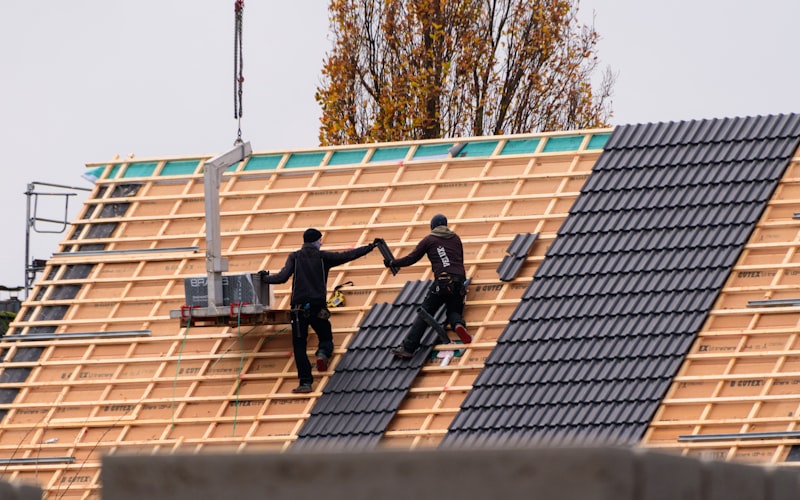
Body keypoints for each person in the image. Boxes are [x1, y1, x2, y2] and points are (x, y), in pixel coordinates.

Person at [259, 228, 378, 393]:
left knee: (299, 345)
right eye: (320, 240)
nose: (321, 243)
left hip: (298, 310)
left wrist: (264, 278)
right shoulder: (323, 257)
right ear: (315, 241)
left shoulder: (295, 257)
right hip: (318, 307)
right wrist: (370, 247)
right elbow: (347, 255)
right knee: (325, 334)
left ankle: (305, 383)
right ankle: (322, 353)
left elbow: (281, 278)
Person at [385, 214, 472, 358]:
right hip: (459, 282)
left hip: (443, 282)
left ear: (432, 226)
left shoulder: (429, 240)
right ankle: (458, 324)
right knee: (453, 310)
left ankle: (408, 347)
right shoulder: (456, 238)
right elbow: (460, 260)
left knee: (425, 313)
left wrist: (393, 263)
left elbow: (412, 258)